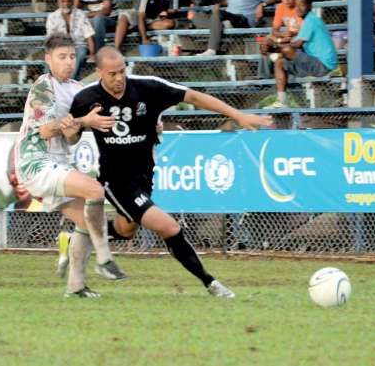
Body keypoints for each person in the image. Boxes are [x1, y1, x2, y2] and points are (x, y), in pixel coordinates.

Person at [68, 47, 273, 298]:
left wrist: (237, 115)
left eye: (122, 71)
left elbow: (195, 97)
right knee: (170, 228)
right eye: (112, 74)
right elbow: (69, 136)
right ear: (99, 72)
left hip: (144, 176)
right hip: (116, 180)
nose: (119, 78)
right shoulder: (85, 99)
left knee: (125, 230)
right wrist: (82, 123)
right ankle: (211, 283)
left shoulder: (147, 87)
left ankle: (77, 236)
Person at [15, 34, 126, 299]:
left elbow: (71, 136)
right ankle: (104, 259)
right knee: (94, 190)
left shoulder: (76, 89)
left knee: (88, 225)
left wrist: (81, 123)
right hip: (36, 161)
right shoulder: (44, 86)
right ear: (48, 59)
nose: (68, 62)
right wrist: (83, 120)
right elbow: (44, 132)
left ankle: (75, 287)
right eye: (61, 57)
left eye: (72, 57)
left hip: (60, 162)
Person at [271, 0, 337, 108]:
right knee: (279, 63)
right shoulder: (307, 20)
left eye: (302, 5)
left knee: (286, 50)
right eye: (296, 5)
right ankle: (282, 102)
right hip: (315, 63)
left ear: (310, 6)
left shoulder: (311, 20)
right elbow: (297, 45)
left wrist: (274, 46)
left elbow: (296, 45)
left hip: (323, 65)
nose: (298, 8)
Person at [198, 0, 278, 56]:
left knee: (218, 14)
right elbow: (231, 1)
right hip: (229, 17)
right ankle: (221, 25)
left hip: (242, 19)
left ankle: (212, 49)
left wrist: (262, 5)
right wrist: (219, 4)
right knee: (196, 15)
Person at [46, 0, 96, 80]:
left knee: (80, 54)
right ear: (58, 3)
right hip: (60, 47)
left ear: (72, 2)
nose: (66, 4)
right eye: (63, 1)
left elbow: (89, 35)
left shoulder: (80, 14)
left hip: (79, 46)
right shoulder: (52, 17)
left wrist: (92, 53)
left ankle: (69, 80)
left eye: (68, 1)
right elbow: (51, 38)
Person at [114, 0, 178, 50]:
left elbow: (174, 10)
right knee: (124, 16)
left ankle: (138, 27)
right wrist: (144, 38)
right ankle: (116, 49)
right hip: (140, 14)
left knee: (170, 23)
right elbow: (140, 16)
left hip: (156, 18)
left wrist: (166, 12)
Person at [258, 0, 302, 78]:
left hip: (299, 37)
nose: (286, 0)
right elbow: (274, 30)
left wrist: (288, 35)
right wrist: (282, 36)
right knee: (266, 42)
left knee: (292, 43)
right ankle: (263, 76)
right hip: (286, 37)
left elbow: (303, 30)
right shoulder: (281, 7)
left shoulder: (300, 7)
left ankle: (292, 75)